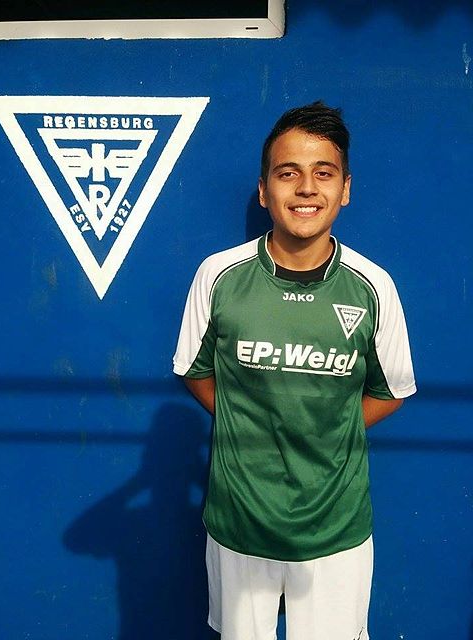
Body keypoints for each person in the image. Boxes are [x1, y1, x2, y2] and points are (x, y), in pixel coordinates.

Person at [173, 101, 416, 640]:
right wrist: (250, 420)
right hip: (239, 523)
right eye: (288, 173)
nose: (306, 188)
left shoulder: (373, 285)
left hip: (336, 530)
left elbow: (391, 391)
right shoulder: (218, 275)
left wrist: (326, 425)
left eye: (323, 173)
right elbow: (195, 371)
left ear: (345, 189)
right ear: (264, 191)